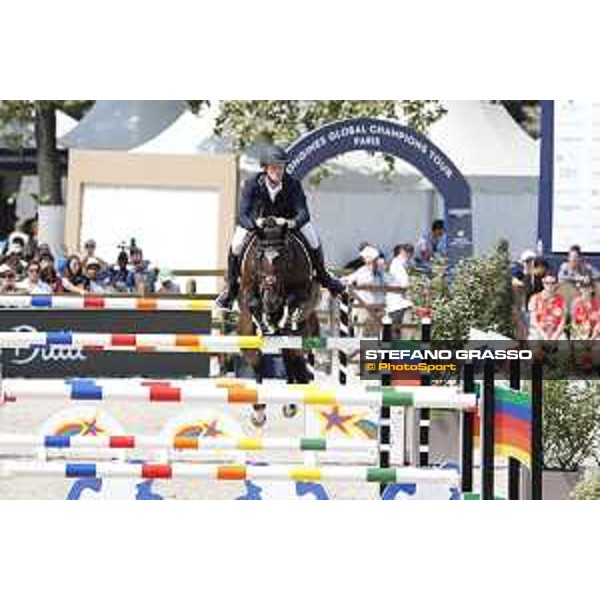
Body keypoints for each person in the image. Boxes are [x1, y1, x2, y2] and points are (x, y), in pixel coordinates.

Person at [215, 144, 344, 309]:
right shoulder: (252, 184)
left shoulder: (293, 184)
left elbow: (303, 213)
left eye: (281, 167)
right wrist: (254, 223)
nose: (278, 171)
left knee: (313, 238)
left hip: (287, 225)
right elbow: (242, 215)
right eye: (274, 167)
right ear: (265, 168)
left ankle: (324, 277)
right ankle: (232, 289)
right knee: (236, 244)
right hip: (259, 226)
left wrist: (291, 222)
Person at [343, 246, 386, 337]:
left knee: (375, 335)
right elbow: (348, 279)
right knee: (362, 334)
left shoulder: (380, 271)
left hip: (377, 308)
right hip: (364, 307)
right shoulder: (362, 271)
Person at [528, 273, 567, 340]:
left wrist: (555, 336)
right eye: (547, 283)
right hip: (538, 331)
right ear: (543, 283)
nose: (550, 285)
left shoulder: (562, 300)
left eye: (553, 283)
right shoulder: (535, 298)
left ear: (556, 284)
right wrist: (544, 336)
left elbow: (563, 322)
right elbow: (533, 321)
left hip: (556, 331)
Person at [386, 243, 414, 336]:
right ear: (402, 252)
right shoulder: (398, 265)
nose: (410, 255)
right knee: (399, 333)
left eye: (411, 252)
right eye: (408, 252)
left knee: (398, 333)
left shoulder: (402, 264)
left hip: (400, 304)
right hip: (398, 304)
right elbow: (405, 284)